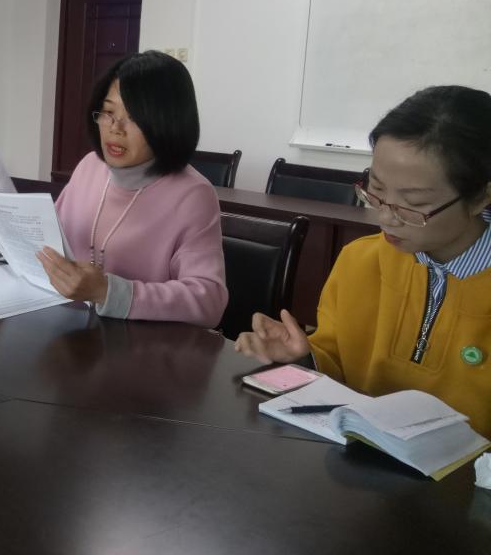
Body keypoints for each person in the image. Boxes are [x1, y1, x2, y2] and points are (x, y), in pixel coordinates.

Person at [234, 86, 491, 437]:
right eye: (377, 191)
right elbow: (337, 363)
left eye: (413, 204)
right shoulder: (361, 261)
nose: (385, 218)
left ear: (480, 197)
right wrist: (303, 357)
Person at [36, 51, 228, 327]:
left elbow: (209, 300)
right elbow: (52, 236)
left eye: (134, 117)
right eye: (108, 112)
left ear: (167, 122)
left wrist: (108, 292)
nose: (115, 128)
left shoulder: (193, 195)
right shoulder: (90, 166)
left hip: (140, 343)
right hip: (69, 328)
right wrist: (16, 239)